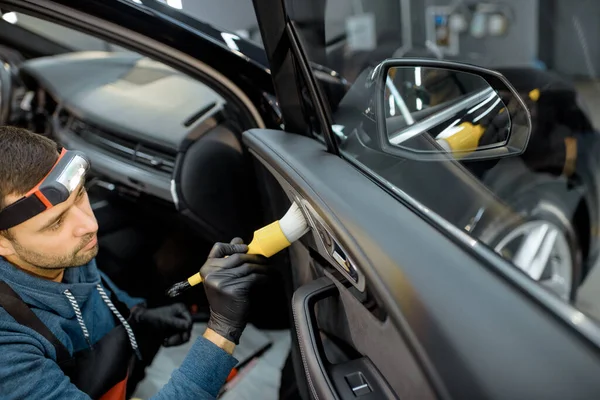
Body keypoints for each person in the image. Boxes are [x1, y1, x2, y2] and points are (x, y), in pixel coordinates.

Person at [0, 126, 269, 399]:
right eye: (56, 223)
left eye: (80, 195)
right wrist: (222, 331)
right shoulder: (7, 353)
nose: (89, 225)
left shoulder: (56, 255)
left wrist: (137, 318)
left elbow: (93, 294)